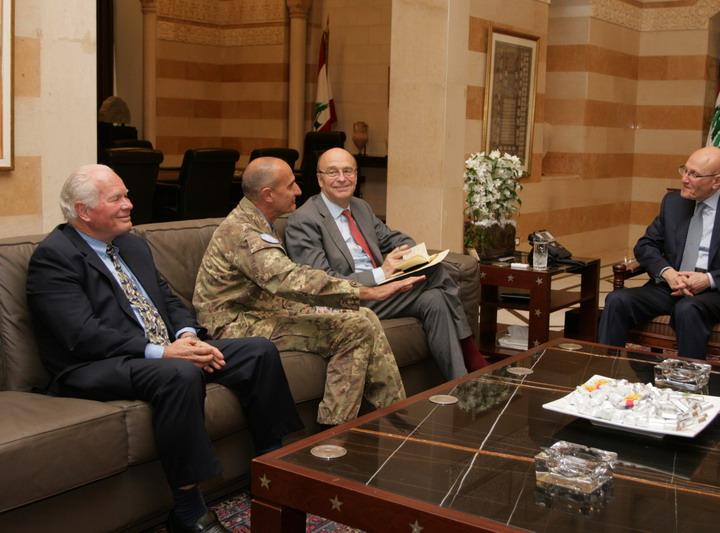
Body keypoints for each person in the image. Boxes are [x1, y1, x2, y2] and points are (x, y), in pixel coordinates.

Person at [26, 164, 303, 533]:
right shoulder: (54, 257)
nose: (129, 204)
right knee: (180, 373)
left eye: (126, 195)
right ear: (83, 211)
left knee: (258, 351)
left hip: (162, 351)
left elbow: (168, 300)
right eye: (117, 198)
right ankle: (188, 512)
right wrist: (162, 352)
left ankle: (270, 473)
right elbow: (82, 334)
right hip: (95, 364)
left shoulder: (131, 244)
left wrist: (187, 336)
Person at [193, 157, 424, 427]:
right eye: (291, 185)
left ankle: (395, 417)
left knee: (365, 317)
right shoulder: (244, 233)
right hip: (233, 324)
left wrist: (359, 298)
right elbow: (290, 279)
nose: (298, 191)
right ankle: (336, 432)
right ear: (268, 195)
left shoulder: (258, 220)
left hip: (262, 309)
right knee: (355, 328)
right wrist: (368, 292)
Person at [284, 147, 487, 380]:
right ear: (320, 179)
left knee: (435, 299)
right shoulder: (304, 220)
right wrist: (381, 273)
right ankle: (471, 352)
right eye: (333, 172)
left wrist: (409, 256)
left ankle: (460, 383)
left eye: (348, 171)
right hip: (346, 299)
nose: (342, 178)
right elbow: (322, 281)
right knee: (435, 271)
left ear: (356, 175)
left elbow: (395, 239)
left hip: (382, 289)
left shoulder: (360, 207)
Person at [598, 146, 720, 358]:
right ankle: (605, 371)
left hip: (719, 292)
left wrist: (708, 279)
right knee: (617, 300)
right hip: (671, 285)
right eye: (684, 170)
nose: (684, 179)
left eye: (694, 174)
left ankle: (689, 377)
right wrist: (668, 273)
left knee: (688, 308)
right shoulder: (673, 202)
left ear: (717, 181)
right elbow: (645, 245)